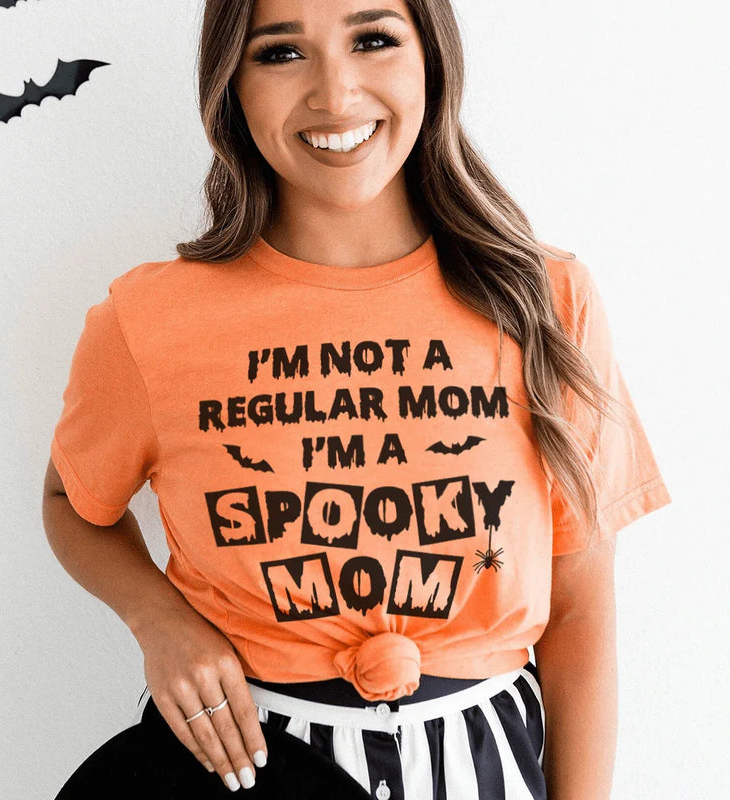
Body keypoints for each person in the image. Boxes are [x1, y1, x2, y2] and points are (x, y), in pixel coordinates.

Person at [41, 0, 672, 797]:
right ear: (231, 84)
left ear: (432, 59)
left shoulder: (546, 300)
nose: (335, 94)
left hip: (485, 764)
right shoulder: (148, 319)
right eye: (280, 53)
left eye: (373, 39)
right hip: (248, 764)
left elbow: (580, 610)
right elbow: (72, 503)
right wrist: (159, 620)